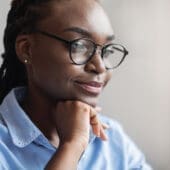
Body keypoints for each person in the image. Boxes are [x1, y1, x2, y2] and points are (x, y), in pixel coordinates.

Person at [0, 0, 152, 169]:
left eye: (107, 50)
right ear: (27, 48)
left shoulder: (113, 141)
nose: (100, 66)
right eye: (79, 46)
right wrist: (72, 146)